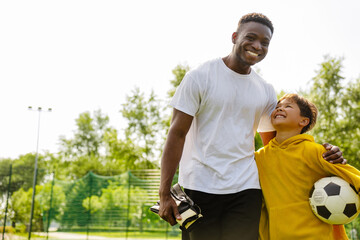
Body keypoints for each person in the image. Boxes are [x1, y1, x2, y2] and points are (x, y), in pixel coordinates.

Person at [158, 13, 345, 240]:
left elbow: (276, 145)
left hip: (246, 189)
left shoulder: (264, 90)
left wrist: (323, 156)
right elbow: (176, 135)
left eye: (265, 43)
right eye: (251, 37)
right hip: (200, 187)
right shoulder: (200, 77)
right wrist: (164, 193)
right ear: (235, 37)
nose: (257, 46)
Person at [255, 93, 360, 239]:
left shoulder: (316, 152)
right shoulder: (259, 158)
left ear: (304, 121)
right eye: (278, 107)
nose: (279, 109)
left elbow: (355, 178)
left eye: (288, 106)